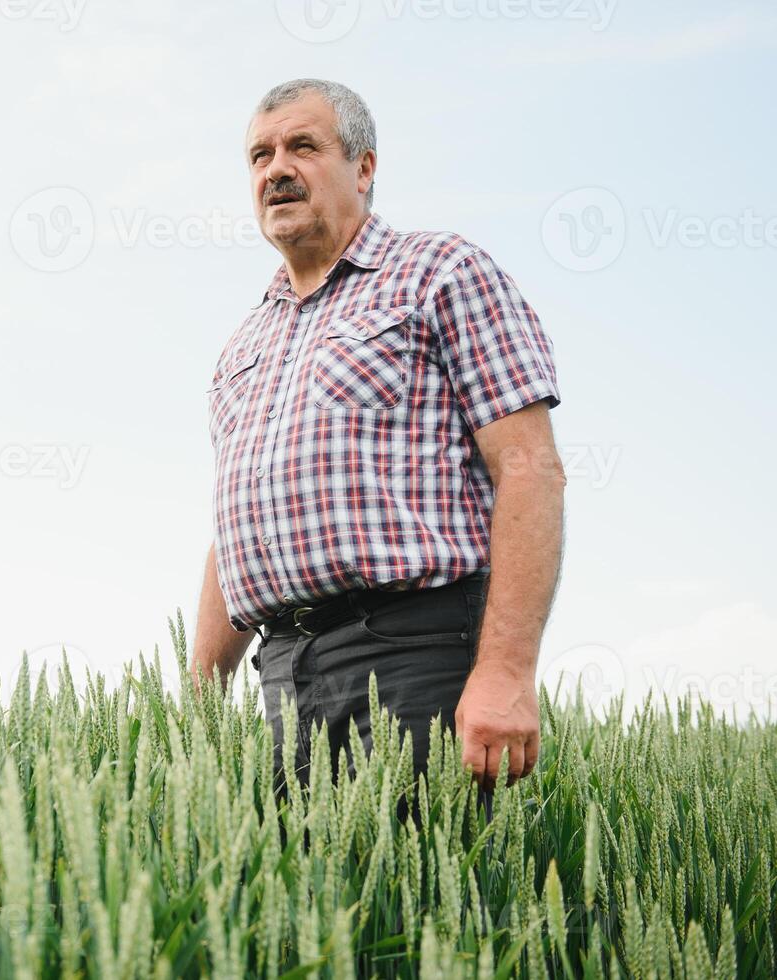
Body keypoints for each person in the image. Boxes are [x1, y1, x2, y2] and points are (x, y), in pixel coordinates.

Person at [188, 78, 565, 822]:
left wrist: (507, 671)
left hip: (411, 656)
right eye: (259, 155)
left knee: (427, 916)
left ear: (363, 168)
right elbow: (232, 535)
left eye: (303, 146)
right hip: (282, 673)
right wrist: (198, 695)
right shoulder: (244, 344)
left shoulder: (441, 274)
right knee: (305, 926)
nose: (276, 169)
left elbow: (529, 469)